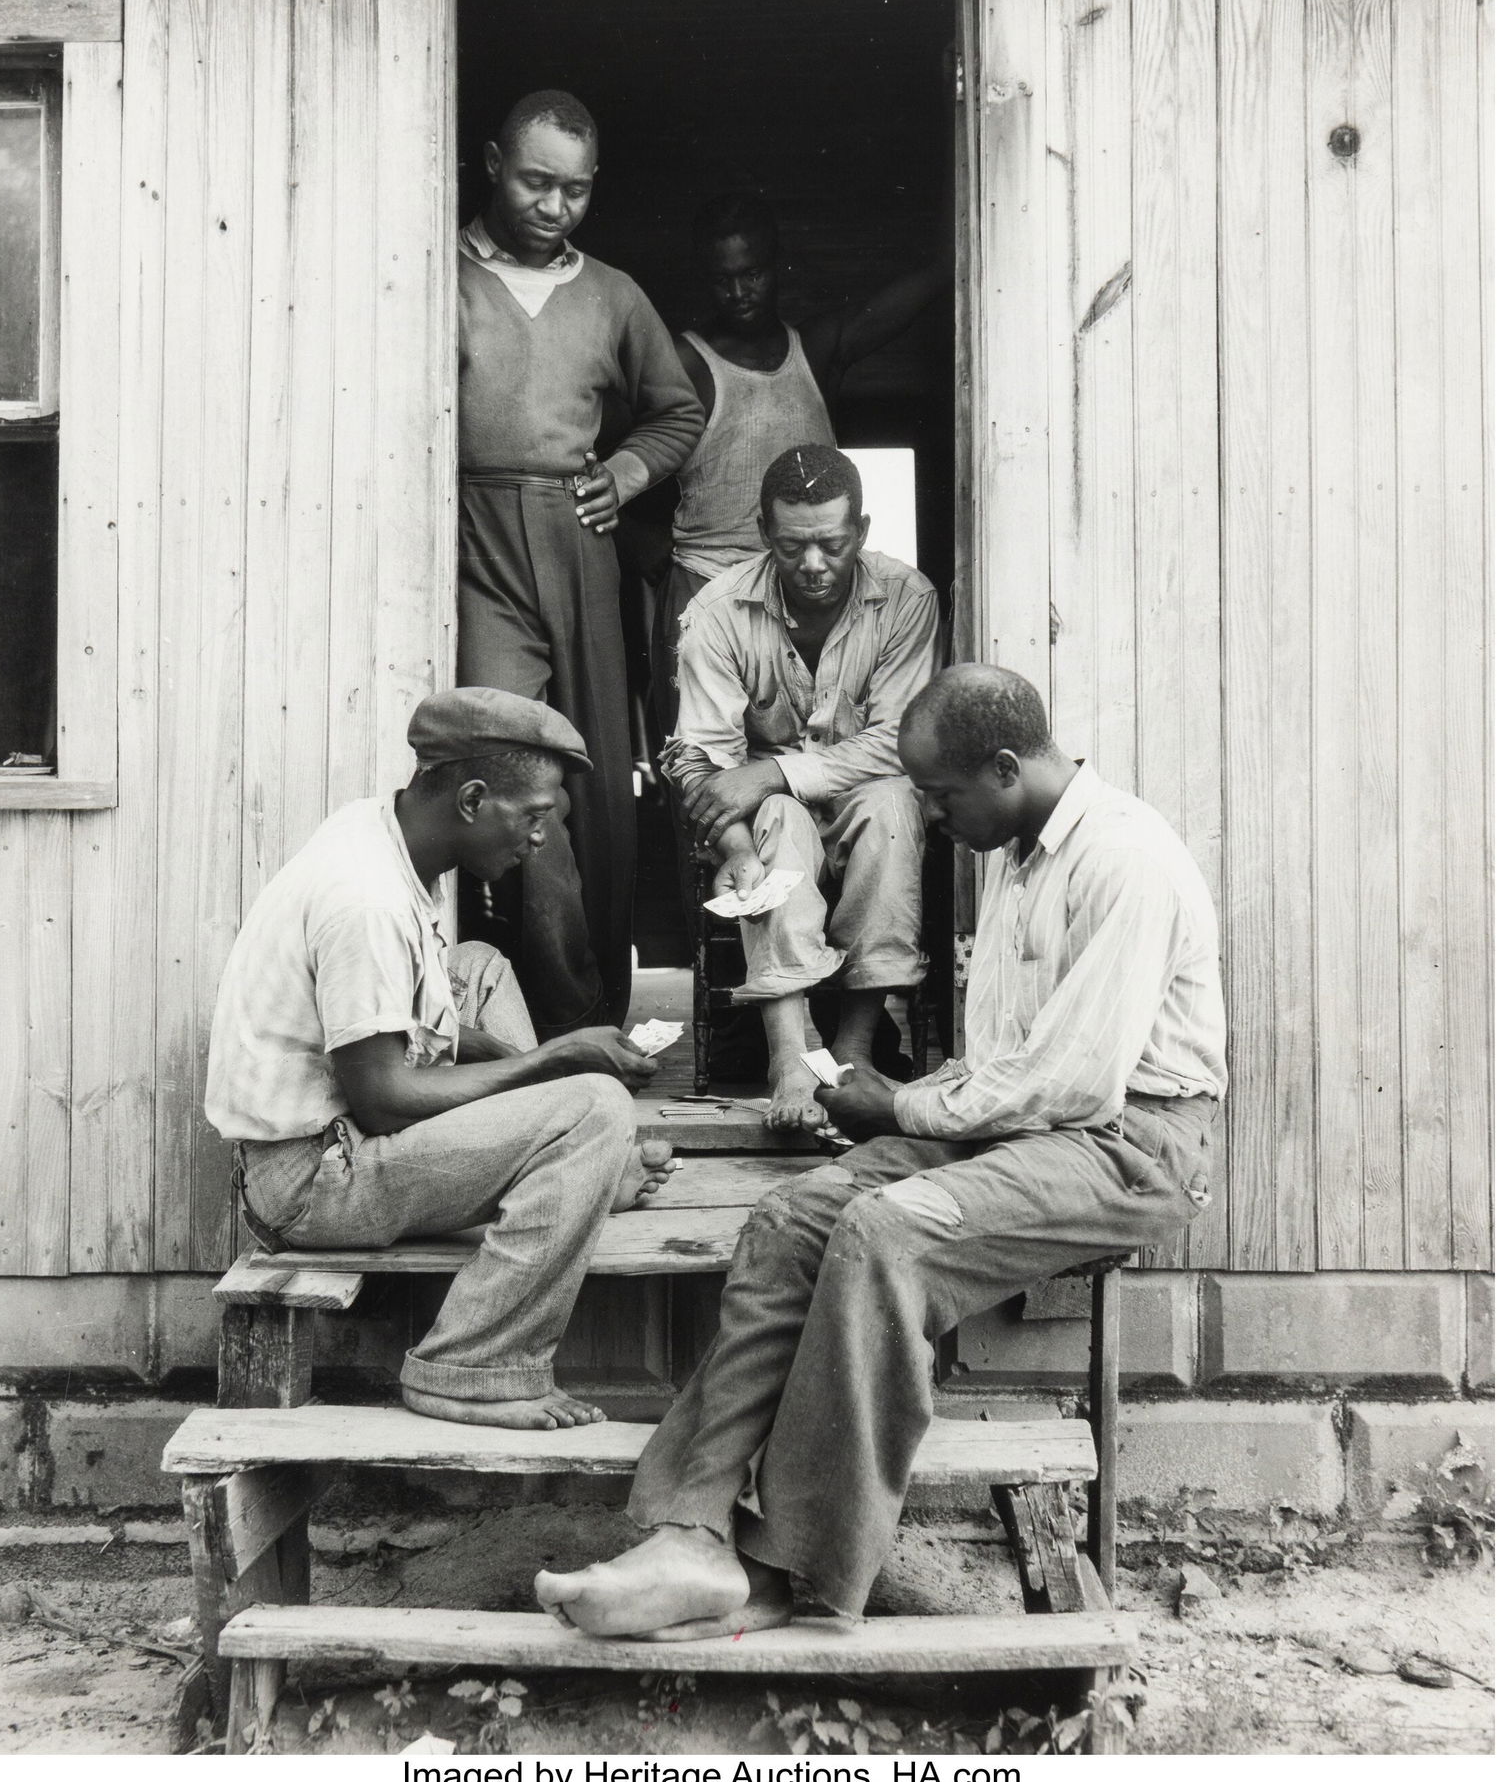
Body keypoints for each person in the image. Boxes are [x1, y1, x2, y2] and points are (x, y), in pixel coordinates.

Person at [534, 663, 1226, 1634]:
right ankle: (688, 1532)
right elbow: (1010, 1064)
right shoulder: (1018, 853)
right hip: (1025, 1127)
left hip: (1129, 1146)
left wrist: (901, 1103)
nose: (930, 815)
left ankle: (781, 1569)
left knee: (884, 1231)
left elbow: (1074, 1081)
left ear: (1004, 767)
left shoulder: (1124, 859)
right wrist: (906, 1105)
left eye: (939, 794)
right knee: (791, 1217)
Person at [204, 687, 679, 1431]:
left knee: (479, 965)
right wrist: (551, 1063)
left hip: (346, 1129)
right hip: (312, 1179)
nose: (540, 839)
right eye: (533, 816)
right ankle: (472, 1366)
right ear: (472, 799)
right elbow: (383, 1101)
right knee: (598, 1106)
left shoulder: (382, 828)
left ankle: (566, 1165)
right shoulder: (365, 901)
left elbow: (399, 1024)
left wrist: (505, 1061)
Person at [457, 90, 705, 1037]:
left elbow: (677, 410)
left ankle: (604, 1012)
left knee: (601, 784)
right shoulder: (440, 274)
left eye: (576, 190)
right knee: (519, 768)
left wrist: (627, 472)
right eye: (535, 182)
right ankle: (563, 1019)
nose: (554, 206)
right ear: (493, 163)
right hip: (478, 538)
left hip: (579, 535)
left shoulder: (613, 294)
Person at [664, 445, 940, 1128]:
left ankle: (855, 1048)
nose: (813, 563)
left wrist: (773, 769)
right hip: (766, 814)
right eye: (791, 547)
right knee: (779, 821)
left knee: (892, 805)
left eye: (832, 545)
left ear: (862, 531)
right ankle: (789, 1054)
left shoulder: (908, 599)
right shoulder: (717, 611)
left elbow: (899, 741)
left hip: (866, 792)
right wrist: (735, 847)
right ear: (764, 532)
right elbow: (701, 762)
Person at [653, 192, 951, 735]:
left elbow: (888, 311)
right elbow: (613, 448)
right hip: (707, 580)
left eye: (752, 274)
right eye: (722, 279)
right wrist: (653, 558)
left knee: (804, 753)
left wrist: (955, 258)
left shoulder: (813, 348)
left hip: (802, 589)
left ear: (777, 267)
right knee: (699, 758)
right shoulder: (685, 361)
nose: (739, 292)